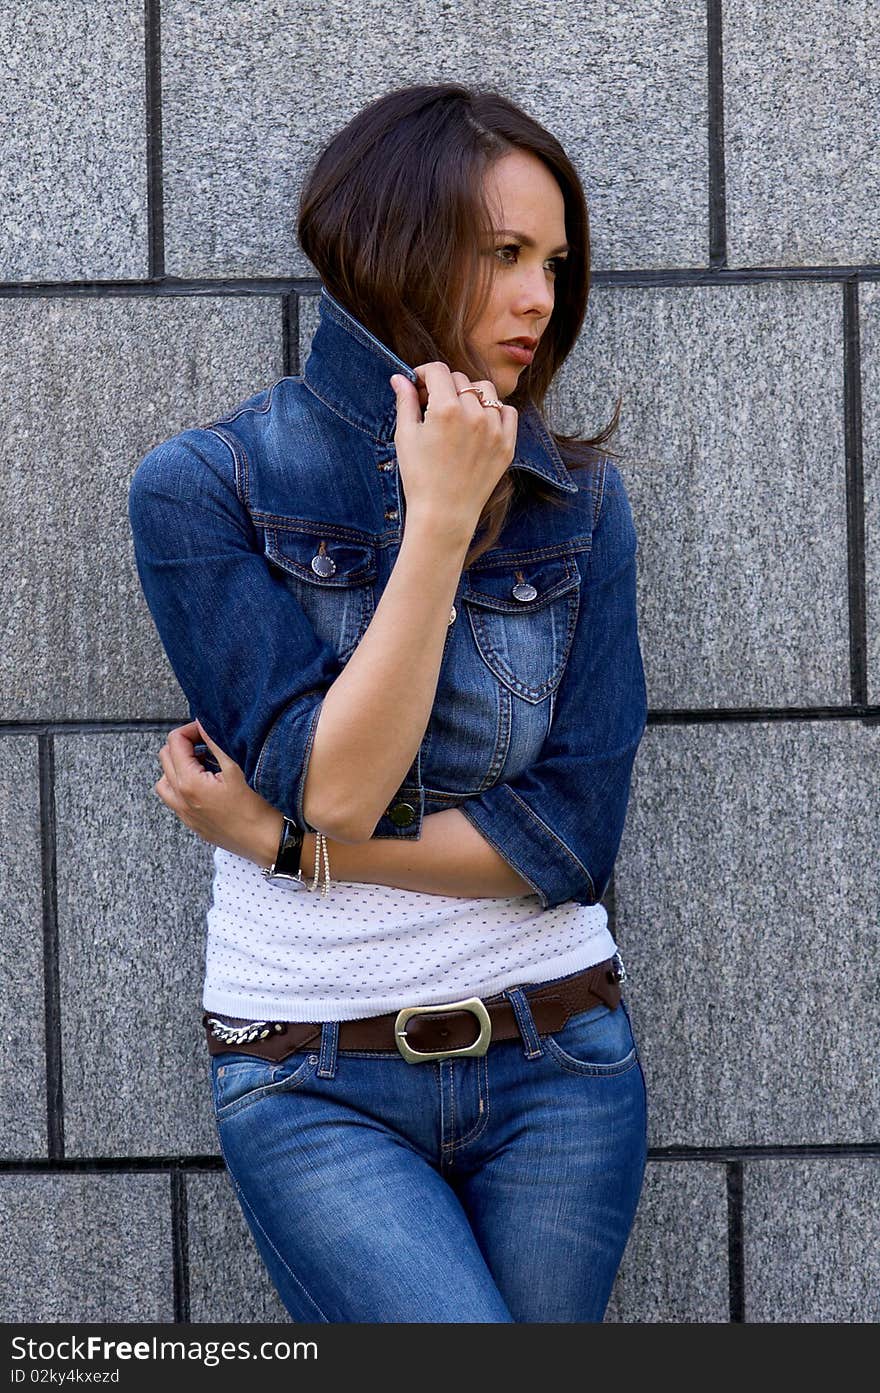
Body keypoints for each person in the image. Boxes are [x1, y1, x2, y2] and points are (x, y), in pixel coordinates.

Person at [128, 82, 649, 1324]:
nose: (542, 299)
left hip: (560, 1062)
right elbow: (341, 778)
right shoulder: (204, 489)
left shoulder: (580, 507)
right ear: (396, 250)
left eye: (555, 263)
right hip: (311, 1075)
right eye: (504, 255)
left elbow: (570, 843)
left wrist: (277, 844)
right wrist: (439, 525)